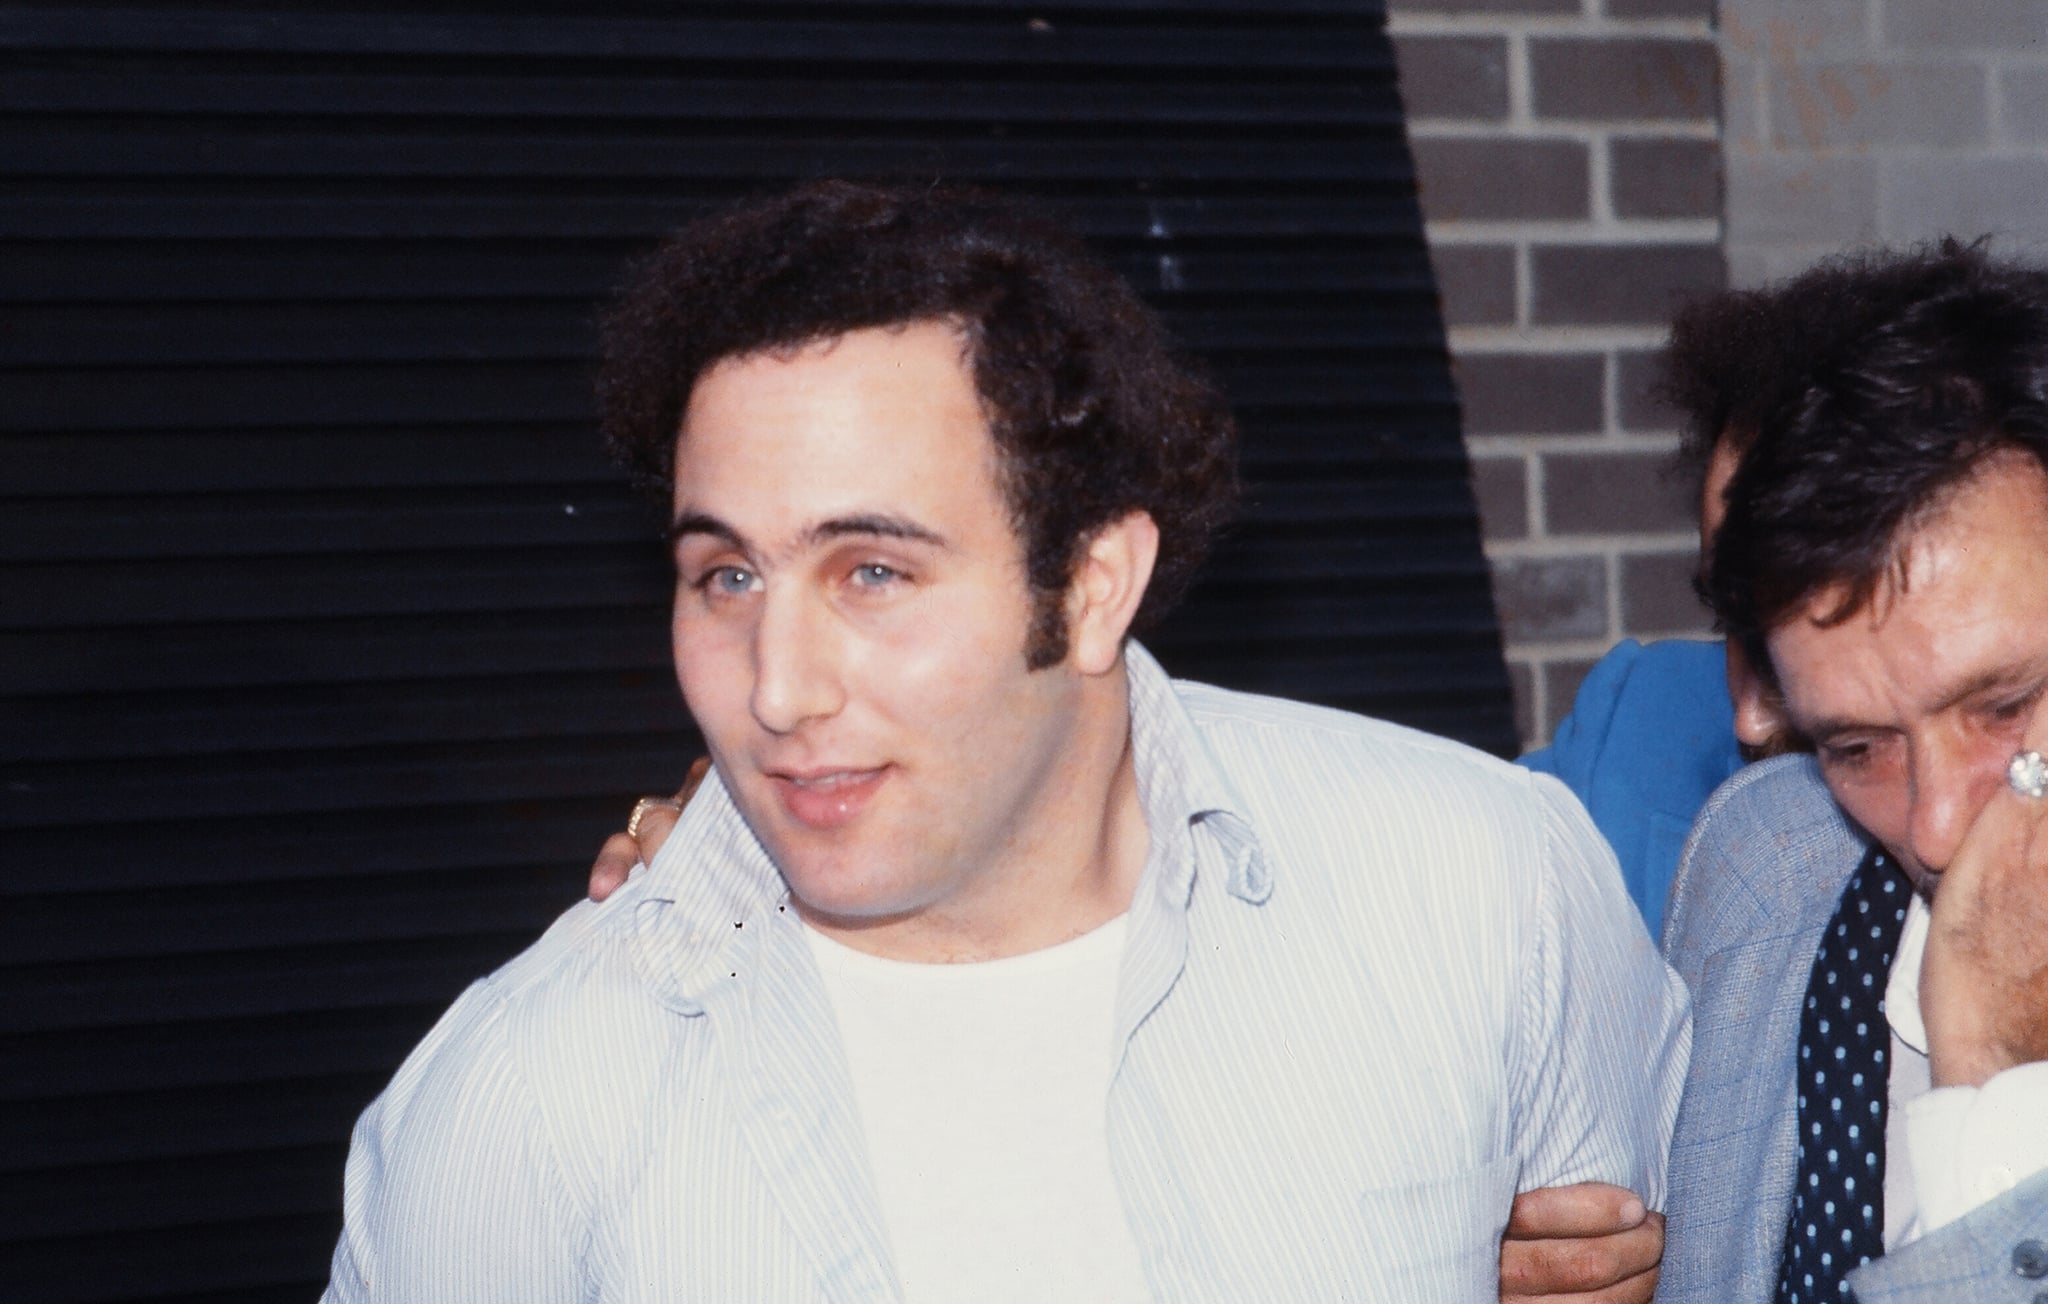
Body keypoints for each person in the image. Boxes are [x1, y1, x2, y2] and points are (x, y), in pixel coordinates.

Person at [321, 180, 1688, 1301]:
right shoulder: (526, 1095)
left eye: (872, 573)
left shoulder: (1482, 886)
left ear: (1092, 584)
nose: (779, 691)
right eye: (727, 576)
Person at [1649, 243, 2048, 1302]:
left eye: (2001, 704)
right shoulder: (1765, 859)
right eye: (1854, 746)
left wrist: (2002, 1086)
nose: (1931, 822)